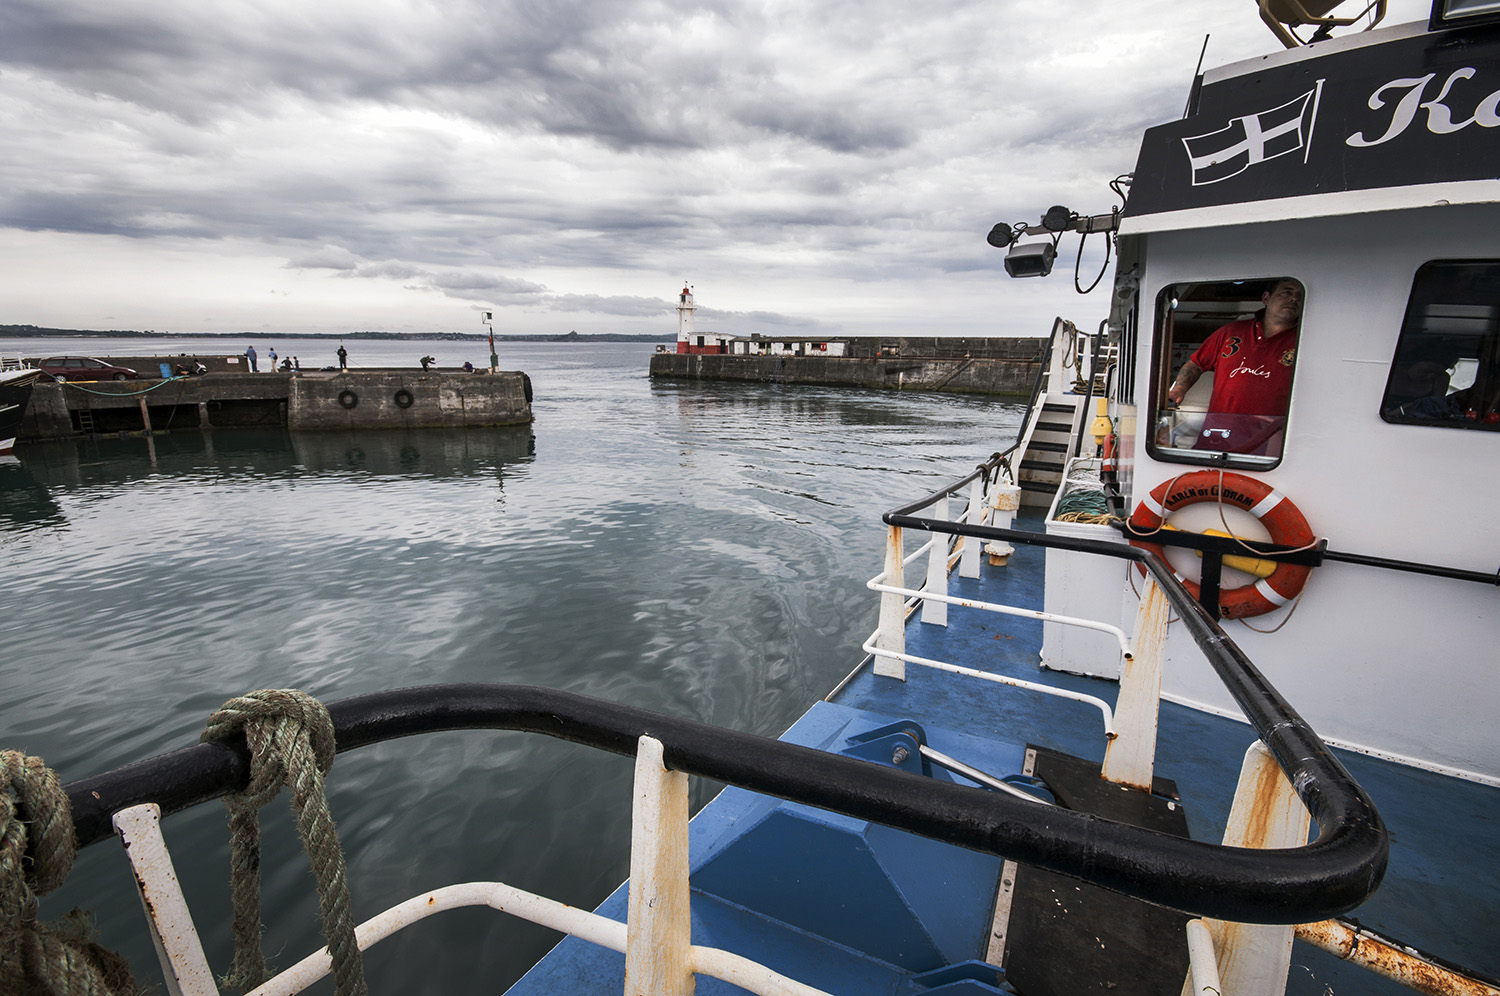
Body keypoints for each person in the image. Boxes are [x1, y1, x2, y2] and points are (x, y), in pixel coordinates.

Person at [1165, 278, 1302, 454]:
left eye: (1299, 296)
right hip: (1218, 435)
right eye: (1287, 292)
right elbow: (1196, 364)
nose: (1293, 299)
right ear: (1266, 298)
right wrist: (1178, 390)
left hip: (1272, 446)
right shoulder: (1230, 332)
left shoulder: (1304, 341)